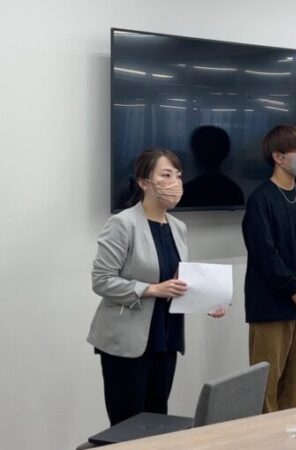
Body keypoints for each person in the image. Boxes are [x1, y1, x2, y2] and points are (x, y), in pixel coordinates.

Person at [87, 148, 225, 426]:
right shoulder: (122, 224)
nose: (175, 182)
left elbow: (175, 279)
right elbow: (102, 280)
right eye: (166, 175)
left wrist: (207, 300)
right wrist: (151, 289)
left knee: (157, 419)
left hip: (166, 336)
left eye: (178, 175)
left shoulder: (178, 226)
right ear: (144, 183)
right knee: (127, 425)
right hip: (127, 341)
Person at [242, 124, 296, 413]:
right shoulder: (260, 199)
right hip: (270, 305)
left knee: (295, 384)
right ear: (278, 157)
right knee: (266, 384)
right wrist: (293, 287)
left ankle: (290, 434)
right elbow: (264, 253)